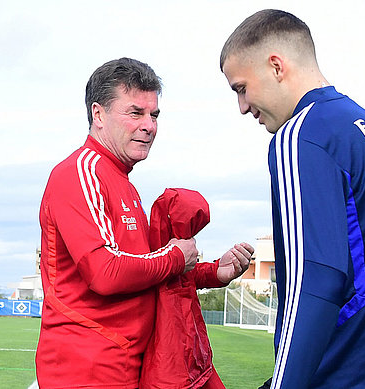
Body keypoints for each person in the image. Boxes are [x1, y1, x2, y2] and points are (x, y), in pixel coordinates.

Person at [220, 10, 365, 389]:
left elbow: (314, 282)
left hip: (340, 378)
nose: (243, 107)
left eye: (241, 88)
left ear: (276, 66)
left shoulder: (301, 136)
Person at [36, 57, 252, 388]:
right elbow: (104, 272)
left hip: (129, 364)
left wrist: (210, 273)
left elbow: (145, 268)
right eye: (135, 112)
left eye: (154, 115)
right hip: (87, 369)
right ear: (98, 115)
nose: (149, 125)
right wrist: (177, 255)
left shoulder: (123, 181)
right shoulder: (80, 173)